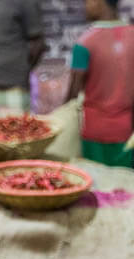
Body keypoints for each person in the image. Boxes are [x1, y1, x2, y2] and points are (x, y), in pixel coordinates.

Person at [66, 0, 134, 167]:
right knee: (127, 186)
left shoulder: (85, 43)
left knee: (98, 187)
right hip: (128, 130)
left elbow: (73, 92)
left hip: (95, 131)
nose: (85, 7)